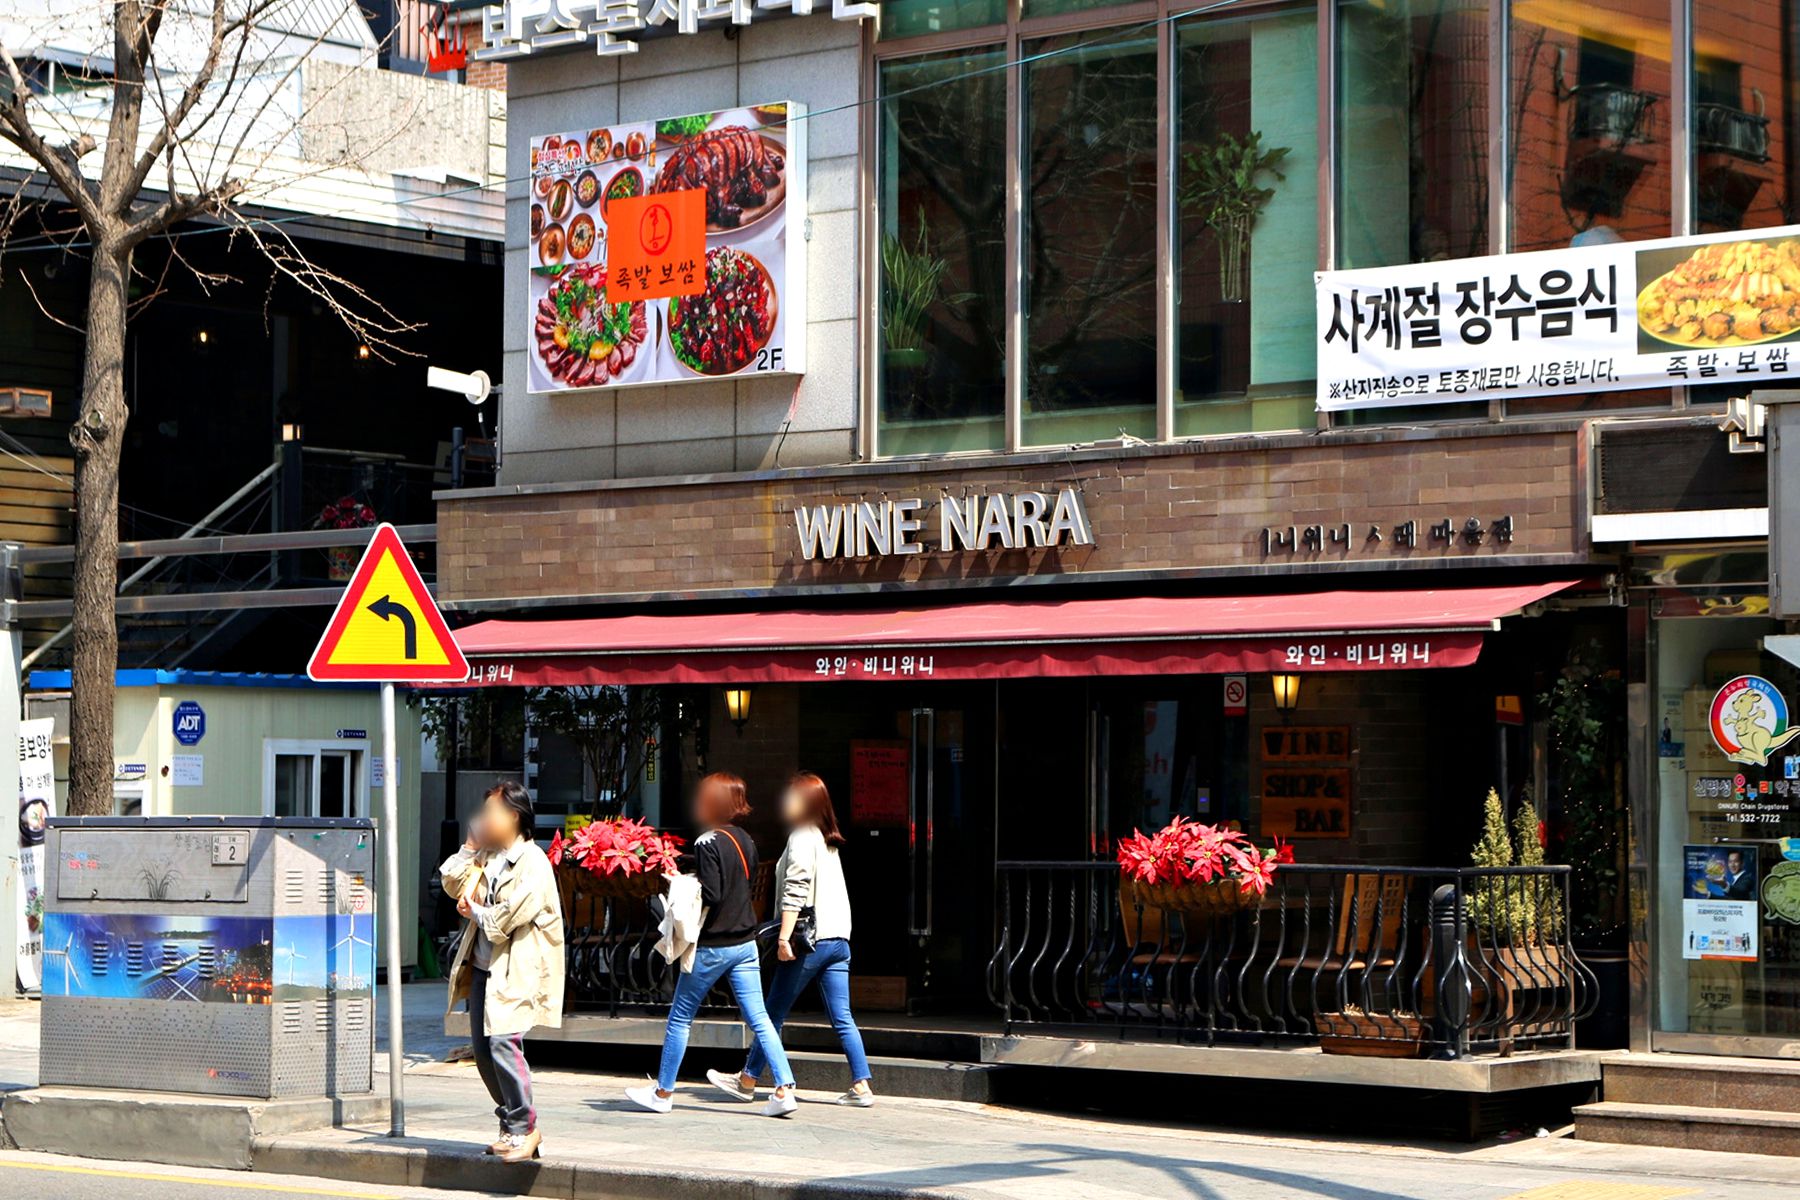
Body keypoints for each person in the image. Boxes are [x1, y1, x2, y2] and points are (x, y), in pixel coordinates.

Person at [626, 772, 800, 1118]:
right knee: (760, 1018)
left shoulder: (706, 841)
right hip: (745, 943)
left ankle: (663, 1092)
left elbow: (714, 893)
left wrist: (683, 882)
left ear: (713, 804)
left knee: (680, 1018)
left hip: (713, 946)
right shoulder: (746, 840)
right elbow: (737, 883)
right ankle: (784, 1088)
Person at [710, 772, 874, 1108]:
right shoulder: (827, 839)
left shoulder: (802, 836)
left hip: (809, 941)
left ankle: (747, 1080)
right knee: (842, 1017)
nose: (785, 801)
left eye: (792, 796)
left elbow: (795, 890)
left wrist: (784, 938)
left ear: (808, 803)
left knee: (772, 1012)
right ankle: (861, 1085)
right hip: (838, 940)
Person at [440, 781, 565, 1162]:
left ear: (514, 816)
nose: (484, 819)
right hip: (483, 968)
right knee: (482, 1052)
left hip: (517, 968)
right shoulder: (487, 856)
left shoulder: (533, 862)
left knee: (503, 1044)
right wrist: (469, 847)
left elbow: (509, 917)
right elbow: (452, 885)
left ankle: (525, 1128)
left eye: (491, 812)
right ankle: (512, 1126)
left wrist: (476, 912)